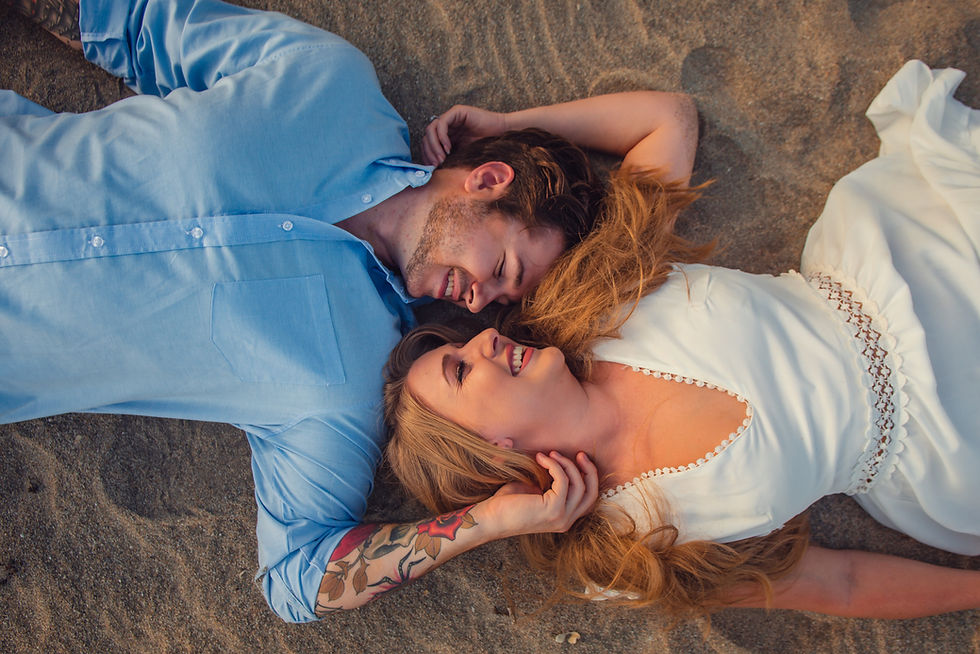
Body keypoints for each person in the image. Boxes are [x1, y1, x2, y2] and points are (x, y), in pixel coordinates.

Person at [0, 0, 699, 622]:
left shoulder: (348, 381)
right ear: (488, 180)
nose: (483, 303)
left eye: (502, 301)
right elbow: (128, 23)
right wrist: (514, 123)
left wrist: (484, 523)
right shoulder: (326, 83)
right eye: (503, 270)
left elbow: (300, 581)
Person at [384, 60, 980, 619]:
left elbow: (667, 119)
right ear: (491, 452)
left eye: (460, 347)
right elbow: (834, 581)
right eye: (460, 371)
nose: (483, 340)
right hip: (948, 445)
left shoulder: (595, 299)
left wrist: (509, 125)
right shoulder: (627, 548)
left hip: (913, 269)